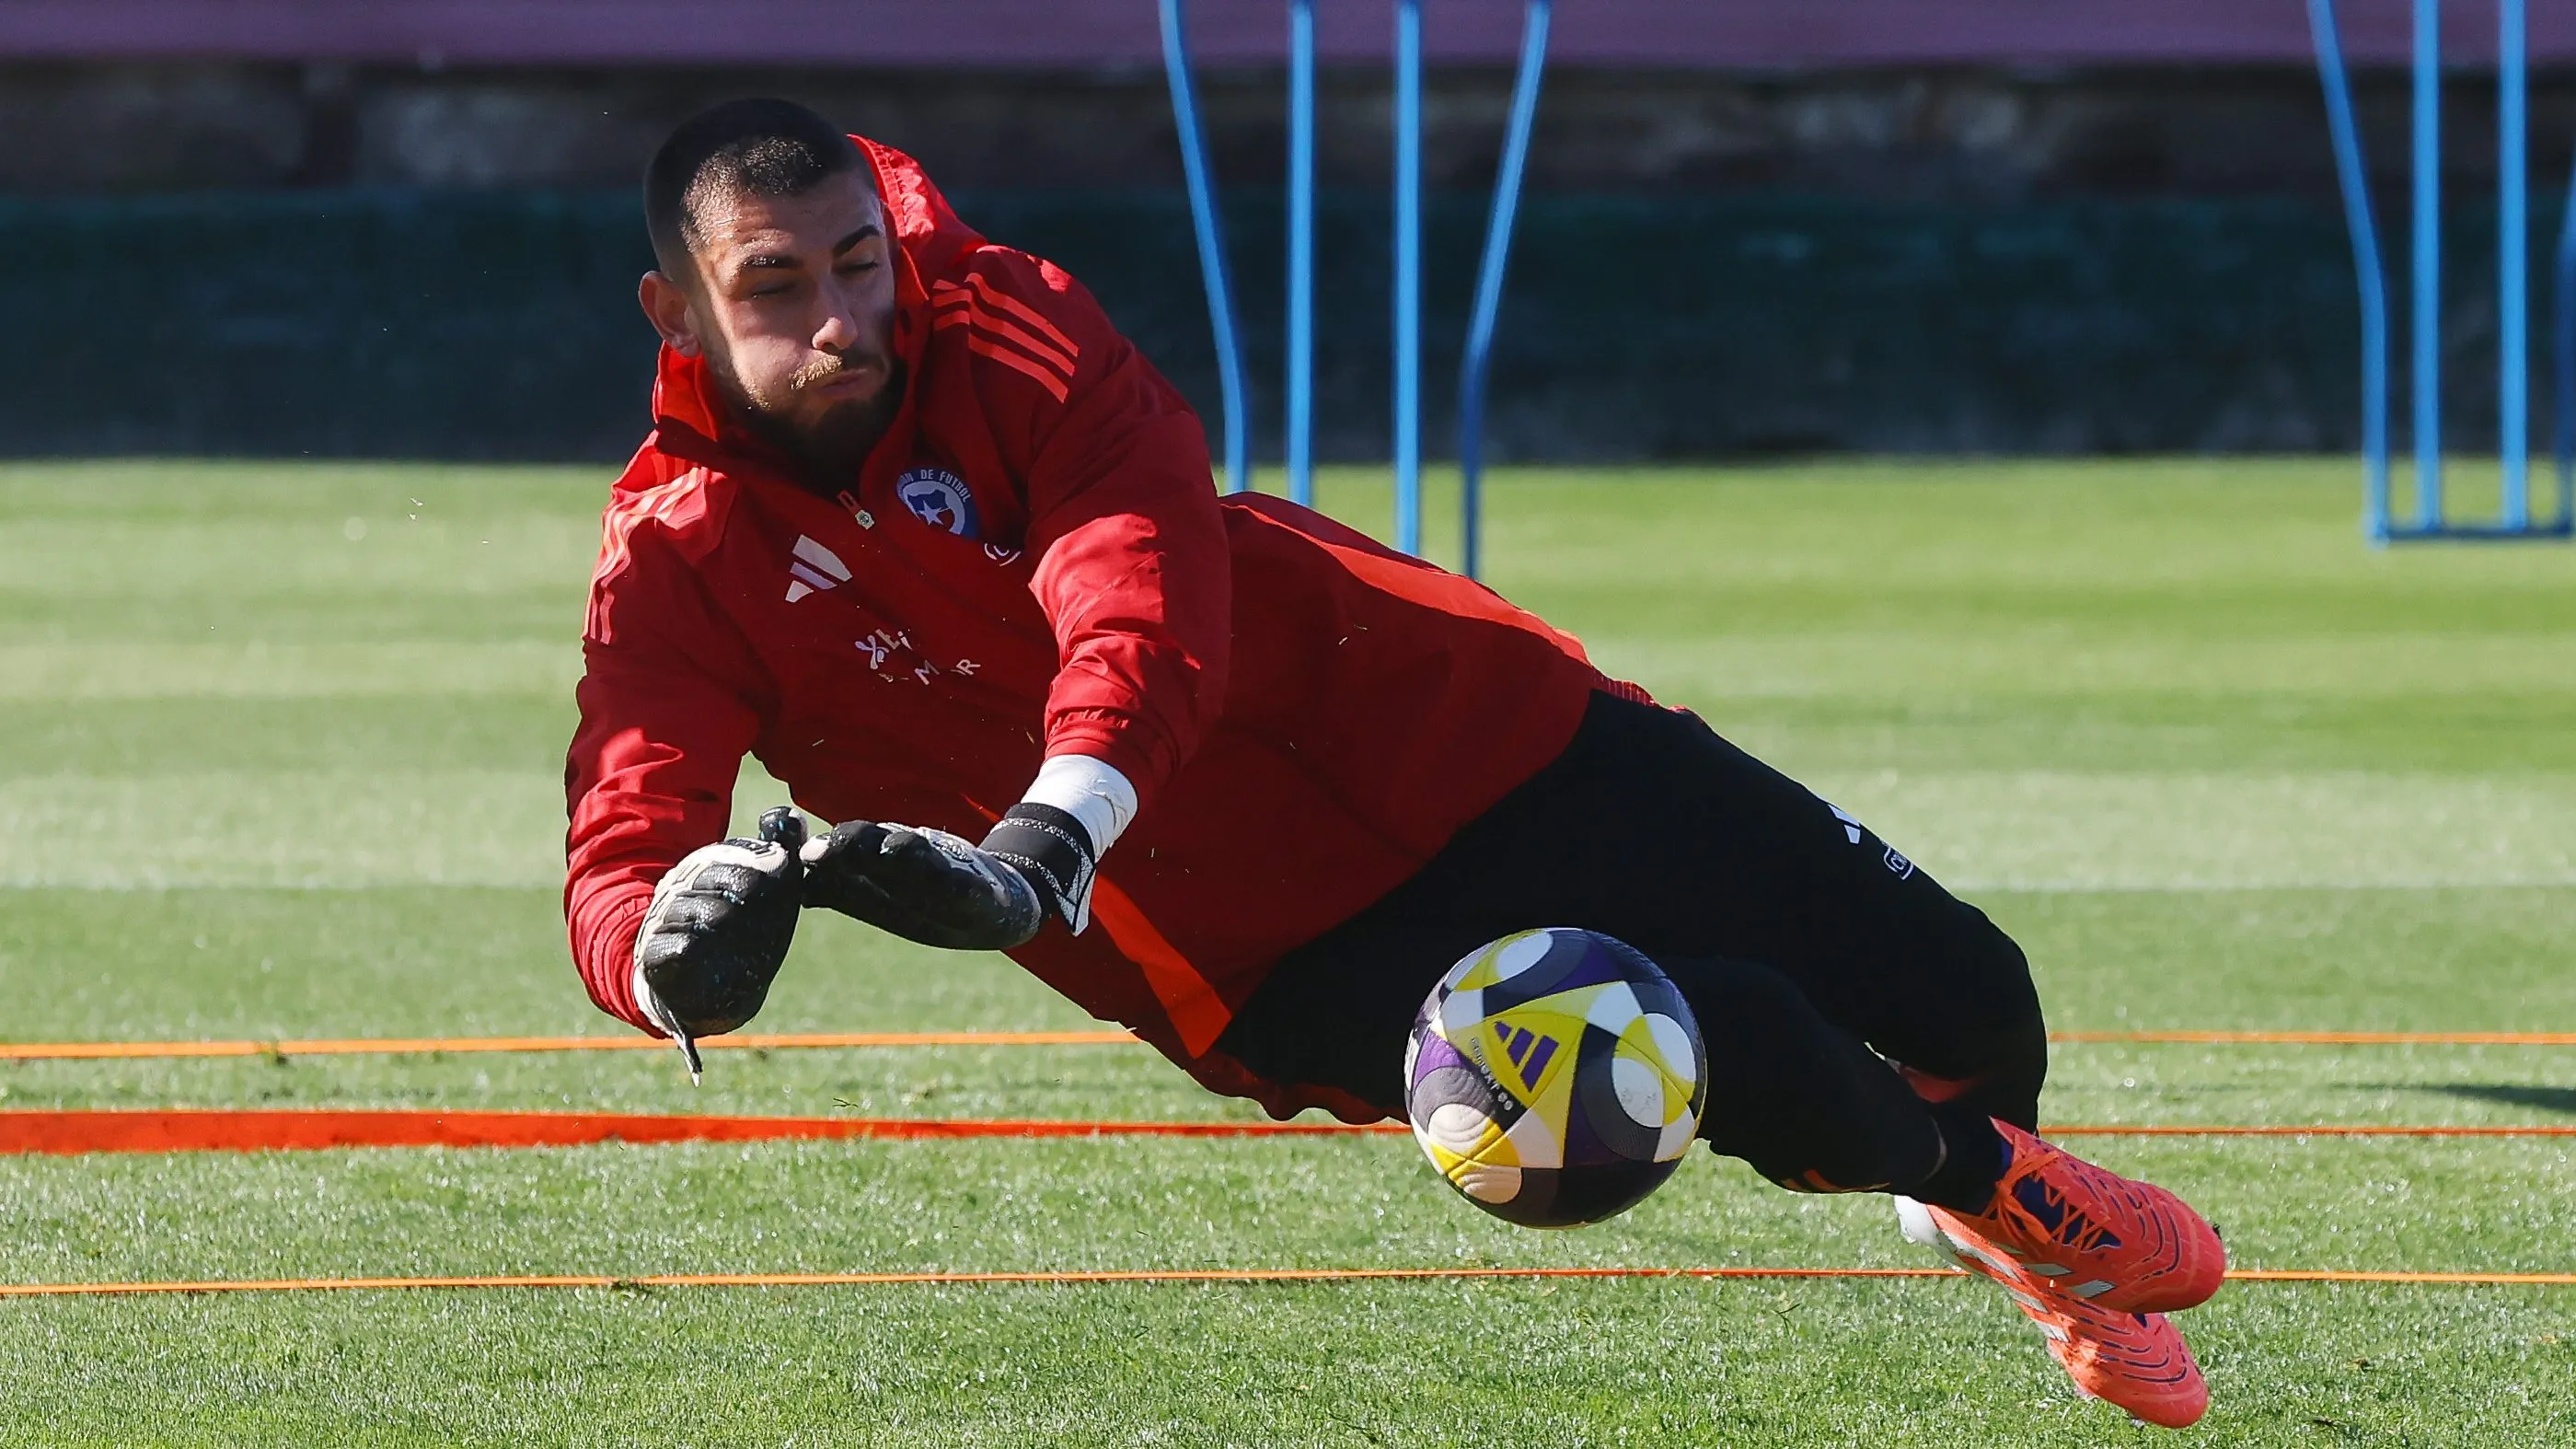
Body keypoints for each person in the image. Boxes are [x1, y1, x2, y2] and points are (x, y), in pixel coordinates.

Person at [565, 98, 2223, 1428]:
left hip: (1461, 719)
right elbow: (624, 830)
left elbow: (1133, 602)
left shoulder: (1018, 329)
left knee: (1968, 992)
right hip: (1267, 949)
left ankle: (1978, 1205)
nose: (841, 318)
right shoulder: (674, 555)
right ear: (678, 311)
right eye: (774, 286)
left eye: (856, 263)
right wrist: (665, 957)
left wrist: (1049, 832)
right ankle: (1989, 1190)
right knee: (1731, 1028)